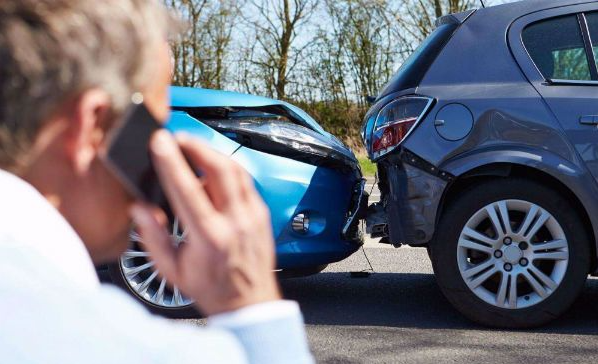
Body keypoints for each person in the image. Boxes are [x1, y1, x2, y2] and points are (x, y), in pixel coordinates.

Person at [0, 1, 314, 363]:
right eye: (152, 126)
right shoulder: (107, 343)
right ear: (93, 127)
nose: (157, 149)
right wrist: (252, 306)